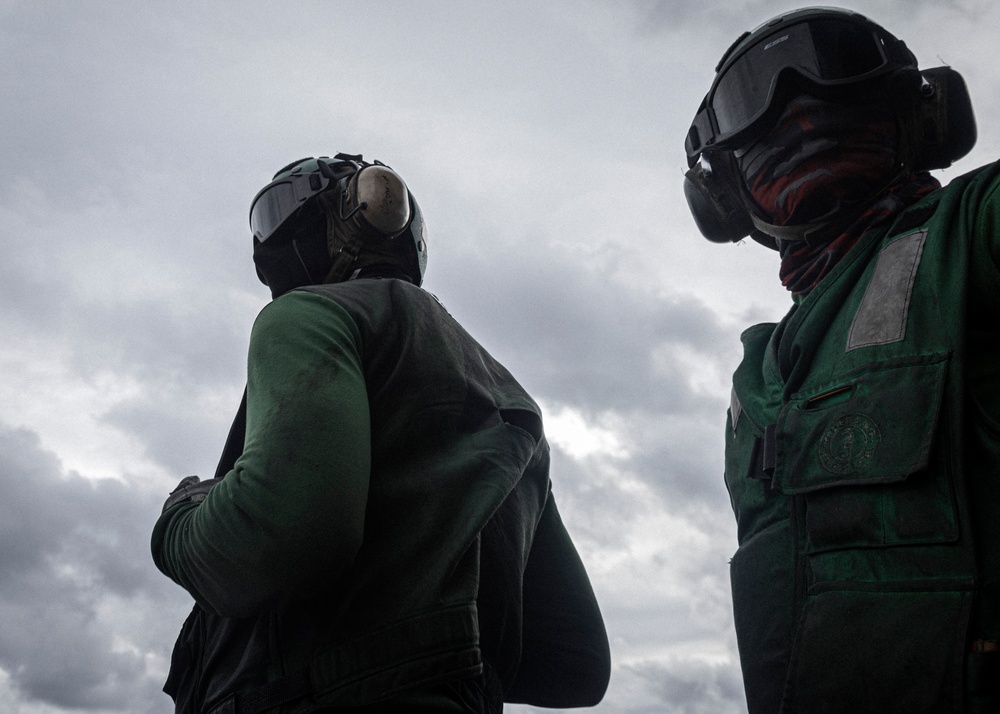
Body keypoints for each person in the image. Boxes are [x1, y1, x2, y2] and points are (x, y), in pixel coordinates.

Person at [151, 153, 611, 713]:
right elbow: (573, 665)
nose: (265, 244)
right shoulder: (513, 405)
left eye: (278, 213)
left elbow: (280, 538)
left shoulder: (305, 316)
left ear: (351, 211)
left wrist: (180, 519)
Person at [682, 7, 999, 713]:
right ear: (724, 193)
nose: (796, 113)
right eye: (757, 104)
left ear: (918, 115)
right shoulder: (758, 374)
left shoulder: (971, 236)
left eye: (827, 76)